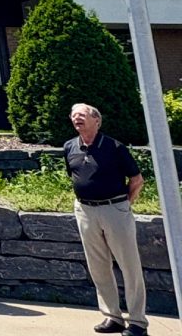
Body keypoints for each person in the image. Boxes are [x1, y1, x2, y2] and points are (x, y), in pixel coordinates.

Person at [65, 103, 148, 336]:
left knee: (129, 266)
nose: (76, 118)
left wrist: (123, 205)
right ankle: (113, 317)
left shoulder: (114, 147)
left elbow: (137, 179)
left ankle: (138, 322)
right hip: (85, 211)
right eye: (73, 116)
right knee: (98, 266)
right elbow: (74, 175)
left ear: (96, 121)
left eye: (82, 115)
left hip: (115, 209)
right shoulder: (70, 146)